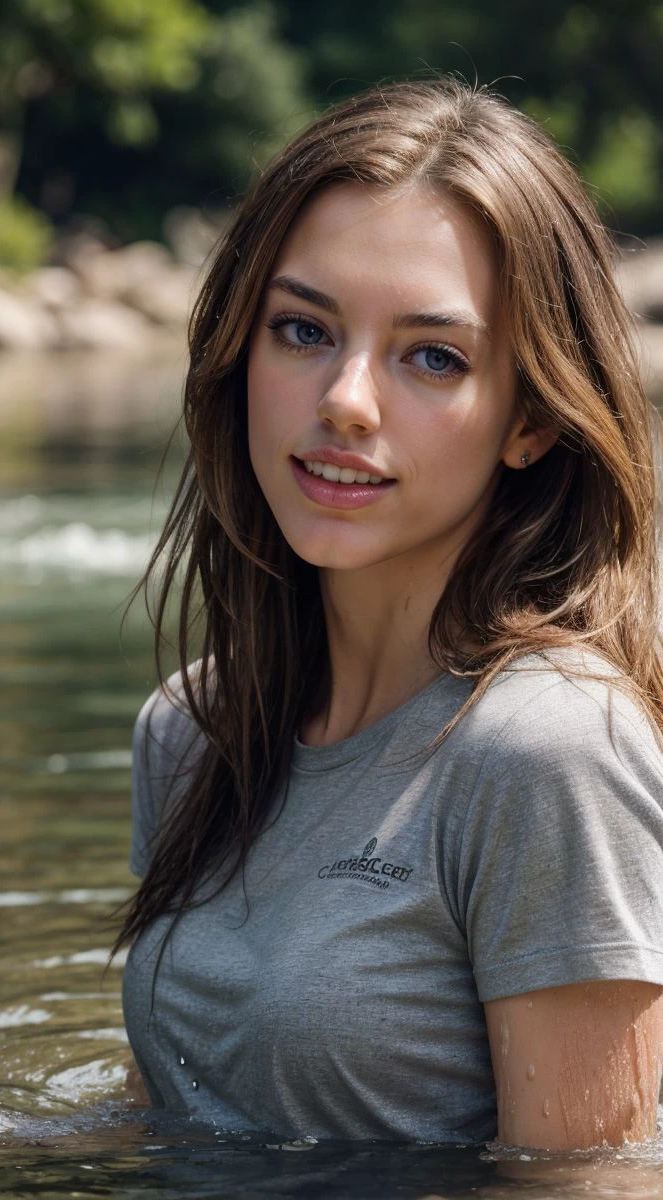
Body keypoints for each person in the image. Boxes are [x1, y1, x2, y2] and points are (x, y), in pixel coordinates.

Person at [113, 77, 663, 1150]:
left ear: (530, 422)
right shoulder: (190, 733)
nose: (344, 400)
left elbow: (586, 1181)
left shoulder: (547, 756)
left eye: (431, 357)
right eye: (301, 329)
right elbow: (167, 1118)